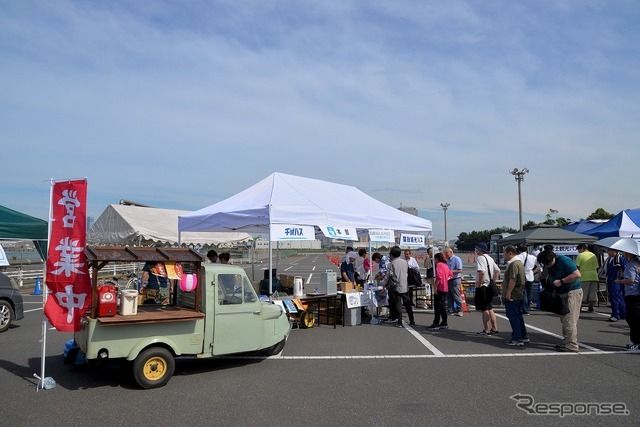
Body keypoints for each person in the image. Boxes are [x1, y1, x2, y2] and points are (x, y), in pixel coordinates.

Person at [537, 250, 582, 352]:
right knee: (564, 318)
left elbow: (577, 274)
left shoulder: (564, 260)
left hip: (572, 292)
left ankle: (572, 344)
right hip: (562, 293)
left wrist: (562, 281)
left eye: (548, 263)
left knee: (569, 319)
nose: (547, 265)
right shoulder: (551, 264)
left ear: (552, 258)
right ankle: (567, 341)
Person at [613, 249, 640, 350]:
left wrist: (618, 281)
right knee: (635, 318)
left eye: (624, 252)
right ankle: (636, 341)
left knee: (633, 319)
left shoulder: (631, 265)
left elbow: (631, 280)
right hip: (637, 293)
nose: (623, 254)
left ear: (628, 253)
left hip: (632, 294)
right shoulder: (637, 263)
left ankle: (636, 342)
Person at [503, 245, 528, 346]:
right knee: (518, 315)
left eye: (504, 253)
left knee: (513, 316)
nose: (503, 255)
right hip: (519, 292)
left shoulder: (513, 263)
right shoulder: (519, 262)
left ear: (510, 253)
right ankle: (523, 335)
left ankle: (517, 338)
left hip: (514, 294)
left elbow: (513, 279)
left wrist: (508, 292)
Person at [384, 246, 414, 328]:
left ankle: (400, 321)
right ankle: (412, 320)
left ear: (392, 254)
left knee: (398, 303)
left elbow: (388, 276)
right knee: (407, 303)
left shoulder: (391, 264)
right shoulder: (405, 262)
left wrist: (384, 285)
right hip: (405, 285)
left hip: (396, 286)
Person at [474, 242, 500, 336]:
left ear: (480, 249)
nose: (475, 250)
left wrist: (479, 284)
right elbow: (497, 271)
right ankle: (494, 328)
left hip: (483, 286)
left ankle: (487, 329)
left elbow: (481, 272)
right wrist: (492, 280)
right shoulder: (490, 258)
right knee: (490, 308)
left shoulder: (480, 258)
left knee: (484, 308)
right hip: (489, 285)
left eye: (476, 248)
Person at [427, 252, 453, 330]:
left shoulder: (439, 265)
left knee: (437, 306)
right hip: (445, 287)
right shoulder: (446, 265)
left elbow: (439, 277)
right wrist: (446, 279)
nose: (434, 261)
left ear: (437, 259)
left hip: (440, 287)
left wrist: (435, 288)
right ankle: (444, 322)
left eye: (435, 259)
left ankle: (436, 323)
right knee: (442, 305)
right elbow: (450, 275)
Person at [605, 248, 627, 322]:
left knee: (615, 298)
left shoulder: (619, 258)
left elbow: (625, 268)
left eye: (609, 250)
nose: (608, 252)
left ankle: (616, 315)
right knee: (618, 297)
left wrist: (621, 276)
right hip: (610, 280)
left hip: (616, 281)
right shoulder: (609, 259)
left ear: (614, 251)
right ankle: (623, 313)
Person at [576, 243, 599, 312]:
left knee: (582, 293)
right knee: (593, 292)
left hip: (584, 276)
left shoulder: (580, 255)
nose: (578, 251)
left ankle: (579, 307)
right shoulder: (593, 255)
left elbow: (577, 267)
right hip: (594, 276)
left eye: (579, 250)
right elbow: (597, 266)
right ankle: (591, 306)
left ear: (582, 248)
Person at [517, 244, 539, 315]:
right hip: (530, 276)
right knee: (529, 293)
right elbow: (539, 266)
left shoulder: (517, 257)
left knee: (523, 293)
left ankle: (524, 308)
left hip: (520, 277)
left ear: (519, 250)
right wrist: (533, 272)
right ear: (527, 250)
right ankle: (528, 307)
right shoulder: (532, 257)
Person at [444, 247, 463, 316]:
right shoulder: (447, 260)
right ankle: (450, 309)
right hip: (448, 279)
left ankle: (459, 309)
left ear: (451, 252)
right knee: (449, 295)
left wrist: (450, 272)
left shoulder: (456, 259)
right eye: (445, 253)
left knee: (456, 295)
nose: (445, 254)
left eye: (446, 253)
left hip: (455, 279)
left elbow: (460, 270)